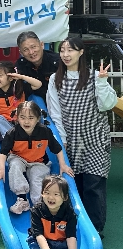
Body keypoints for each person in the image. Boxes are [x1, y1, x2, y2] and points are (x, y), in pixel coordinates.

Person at [46, 36, 116, 235]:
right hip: (72, 140)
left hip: (96, 138)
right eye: (62, 50)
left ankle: (95, 230)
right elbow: (55, 112)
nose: (66, 54)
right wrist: (62, 139)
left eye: (71, 50)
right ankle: (76, 226)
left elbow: (107, 104)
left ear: (81, 52)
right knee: (74, 184)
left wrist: (102, 82)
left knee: (94, 183)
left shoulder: (94, 76)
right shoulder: (55, 79)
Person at [0, 100, 73, 214]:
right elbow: (3, 152)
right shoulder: (12, 133)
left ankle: (39, 204)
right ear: (17, 118)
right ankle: (22, 200)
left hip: (38, 161)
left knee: (37, 178)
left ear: (38, 118)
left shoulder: (44, 131)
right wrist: (1, 170)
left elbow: (57, 149)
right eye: (22, 117)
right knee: (14, 165)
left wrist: (63, 165)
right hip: (18, 158)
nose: (26, 121)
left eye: (31, 118)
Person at [28, 175, 82, 249]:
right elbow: (38, 235)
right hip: (41, 242)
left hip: (61, 243)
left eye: (56, 194)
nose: (51, 197)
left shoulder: (69, 214)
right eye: (47, 193)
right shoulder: (37, 211)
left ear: (65, 197)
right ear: (42, 193)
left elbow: (71, 236)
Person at [0, 31, 60, 100]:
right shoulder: (21, 64)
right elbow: (8, 82)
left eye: (33, 47)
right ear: (21, 52)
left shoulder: (57, 61)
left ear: (41, 45)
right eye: (26, 50)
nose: (31, 52)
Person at [0, 60, 41, 140]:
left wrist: (21, 77)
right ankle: (13, 138)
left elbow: (38, 84)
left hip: (21, 123)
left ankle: (9, 136)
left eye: (0, 75)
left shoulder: (19, 89)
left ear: (10, 78)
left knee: (34, 116)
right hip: (5, 124)